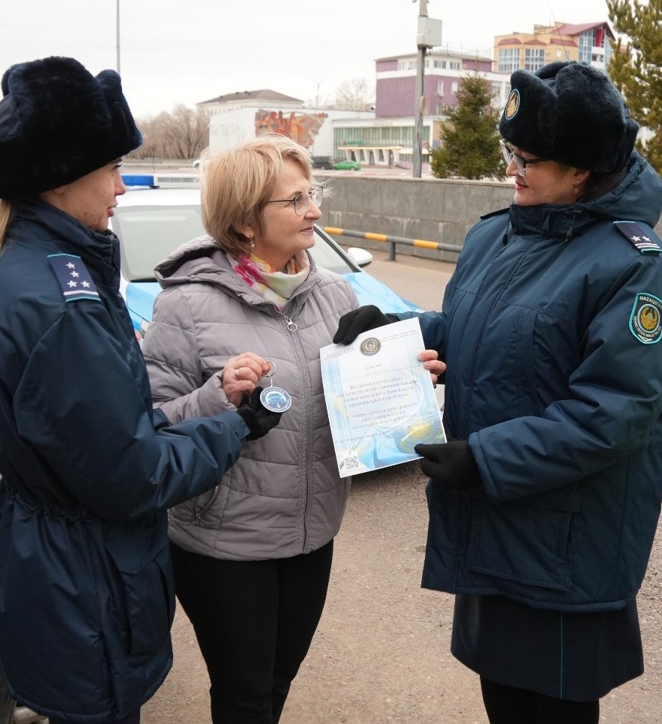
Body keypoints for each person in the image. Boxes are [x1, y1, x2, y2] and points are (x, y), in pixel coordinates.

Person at [333, 61, 662, 724]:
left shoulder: (634, 267)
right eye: (513, 153)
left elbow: (613, 415)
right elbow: (473, 334)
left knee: (552, 708)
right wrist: (397, 332)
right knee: (501, 698)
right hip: (494, 525)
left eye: (533, 159)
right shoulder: (496, 235)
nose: (515, 169)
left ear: (583, 170)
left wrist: (486, 459)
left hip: (562, 546)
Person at [0, 56, 283, 724]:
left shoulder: (30, 273)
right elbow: (131, 475)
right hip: (85, 581)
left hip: (56, 565)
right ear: (63, 178)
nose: (121, 188)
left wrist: (203, 411)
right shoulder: (58, 306)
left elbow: (108, 431)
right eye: (111, 170)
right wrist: (237, 424)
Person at [138, 134, 445, 724]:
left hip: (311, 531)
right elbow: (153, 423)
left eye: (313, 194)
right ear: (248, 220)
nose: (316, 211)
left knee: (277, 683)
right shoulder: (186, 304)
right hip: (224, 542)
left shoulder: (333, 292)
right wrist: (217, 395)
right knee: (245, 695)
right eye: (296, 199)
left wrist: (402, 380)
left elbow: (350, 409)